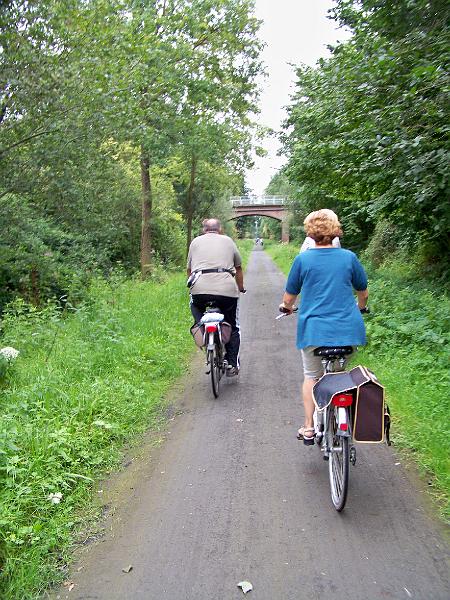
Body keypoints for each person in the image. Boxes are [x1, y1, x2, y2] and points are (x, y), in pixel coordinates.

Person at [279, 211, 369, 444]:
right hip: (348, 330)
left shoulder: (303, 260)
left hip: (314, 331)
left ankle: (309, 427)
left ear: (310, 233)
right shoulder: (349, 257)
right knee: (340, 374)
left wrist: (286, 306)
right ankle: (343, 415)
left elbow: (289, 297)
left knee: (311, 376)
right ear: (336, 230)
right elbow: (363, 291)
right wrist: (361, 308)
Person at [187, 218, 245, 377]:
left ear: (204, 230)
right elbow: (238, 268)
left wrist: (192, 288)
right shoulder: (228, 241)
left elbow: (190, 270)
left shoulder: (195, 242)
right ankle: (232, 363)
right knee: (233, 326)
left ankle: (200, 325)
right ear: (219, 229)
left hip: (199, 290)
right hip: (227, 291)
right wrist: (240, 288)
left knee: (195, 306)